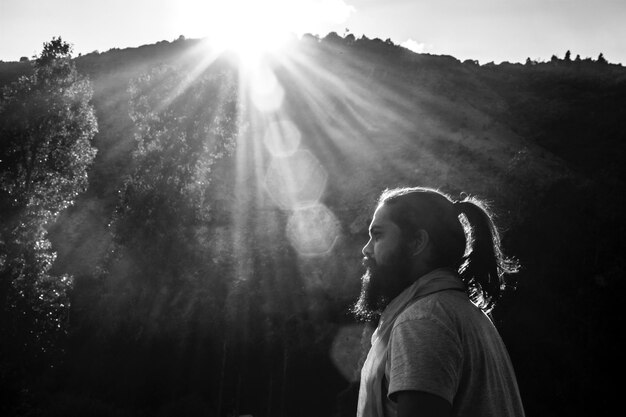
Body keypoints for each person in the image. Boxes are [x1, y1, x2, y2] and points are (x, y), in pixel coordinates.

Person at [353, 187, 525, 417]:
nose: (366, 248)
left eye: (378, 235)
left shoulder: (423, 320)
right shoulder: (462, 311)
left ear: (417, 242)